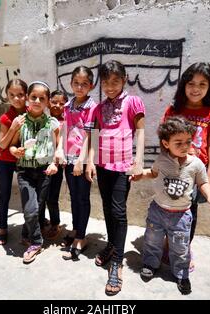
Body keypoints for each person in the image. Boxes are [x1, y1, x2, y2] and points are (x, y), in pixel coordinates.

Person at [132, 116, 210, 295]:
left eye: (188, 142)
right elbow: (153, 172)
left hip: (181, 215)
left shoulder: (195, 164)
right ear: (166, 144)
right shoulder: (162, 159)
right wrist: (141, 175)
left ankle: (181, 273)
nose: (184, 146)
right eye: (178, 142)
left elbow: (202, 182)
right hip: (158, 210)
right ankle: (150, 264)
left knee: (180, 246)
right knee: (152, 240)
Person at [85, 60, 145, 295]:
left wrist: (139, 161)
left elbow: (140, 131)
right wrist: (90, 161)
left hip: (122, 167)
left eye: (115, 82)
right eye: (106, 82)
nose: (110, 87)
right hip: (102, 165)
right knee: (108, 209)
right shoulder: (99, 108)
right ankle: (111, 245)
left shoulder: (133, 102)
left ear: (124, 80)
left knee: (119, 211)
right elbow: (94, 137)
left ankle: (117, 263)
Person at [161, 62, 210, 271]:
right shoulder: (174, 110)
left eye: (202, 84)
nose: (196, 89)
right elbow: (164, 137)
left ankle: (184, 248)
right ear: (183, 85)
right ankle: (169, 244)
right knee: (169, 209)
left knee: (190, 212)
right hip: (173, 170)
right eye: (191, 83)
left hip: (196, 173)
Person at [9, 81, 60, 264]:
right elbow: (12, 145)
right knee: (30, 210)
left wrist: (55, 162)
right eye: (33, 97)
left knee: (38, 208)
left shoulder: (53, 123)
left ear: (47, 102)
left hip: (44, 171)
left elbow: (59, 146)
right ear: (28, 99)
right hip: (25, 171)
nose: (37, 101)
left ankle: (27, 233)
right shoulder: (20, 121)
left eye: (42, 98)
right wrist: (15, 151)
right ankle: (37, 242)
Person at [60, 66, 97, 261]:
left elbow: (91, 135)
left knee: (83, 198)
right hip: (68, 158)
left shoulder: (92, 107)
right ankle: (75, 230)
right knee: (74, 197)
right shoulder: (68, 105)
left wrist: (81, 162)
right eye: (76, 83)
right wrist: (60, 151)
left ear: (91, 85)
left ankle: (82, 237)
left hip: (82, 160)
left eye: (84, 84)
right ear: (71, 84)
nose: (79, 87)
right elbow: (65, 128)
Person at [0, 79, 27, 245]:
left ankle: (29, 228)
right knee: (5, 194)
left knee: (28, 194)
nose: (17, 99)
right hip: (5, 161)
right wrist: (14, 127)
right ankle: (2, 228)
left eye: (20, 95)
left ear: (26, 95)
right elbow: (2, 144)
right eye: (12, 95)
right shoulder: (6, 117)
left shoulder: (32, 113)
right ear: (7, 97)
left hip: (24, 160)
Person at [39, 89, 68, 241]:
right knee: (40, 197)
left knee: (52, 198)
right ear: (48, 102)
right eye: (54, 102)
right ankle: (42, 221)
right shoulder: (42, 119)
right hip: (40, 165)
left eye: (61, 103)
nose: (57, 105)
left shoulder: (65, 123)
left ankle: (55, 224)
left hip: (55, 167)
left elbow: (62, 147)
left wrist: (56, 162)